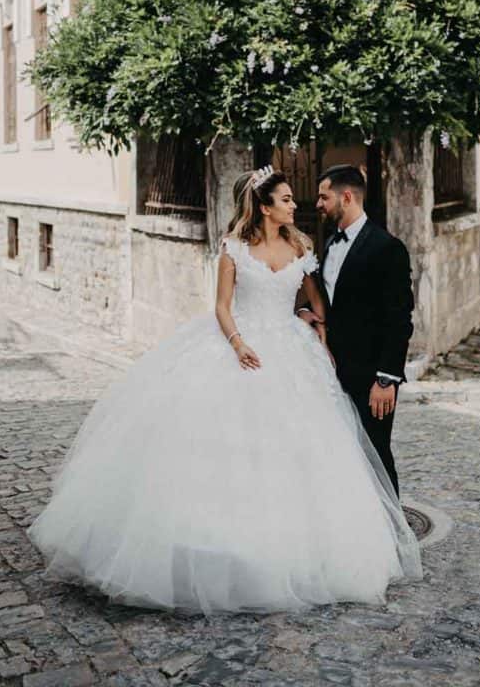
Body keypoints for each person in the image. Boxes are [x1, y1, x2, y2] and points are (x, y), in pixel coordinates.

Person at [28, 166, 422, 614]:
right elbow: (223, 305)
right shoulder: (237, 248)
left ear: (345, 197)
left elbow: (322, 302)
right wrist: (238, 343)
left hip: (300, 356)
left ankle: (356, 539)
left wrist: (325, 339)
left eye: (308, 198)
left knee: (323, 448)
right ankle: (230, 547)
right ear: (265, 205)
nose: (300, 205)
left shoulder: (308, 245)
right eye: (289, 199)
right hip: (244, 346)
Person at [299, 165, 414, 496]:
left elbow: (400, 319)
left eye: (324, 196)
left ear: (345, 197)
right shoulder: (332, 242)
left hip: (371, 378)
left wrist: (386, 379)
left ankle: (394, 534)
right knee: (344, 456)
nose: (318, 204)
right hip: (335, 372)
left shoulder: (387, 248)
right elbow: (332, 304)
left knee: (376, 455)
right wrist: (308, 314)